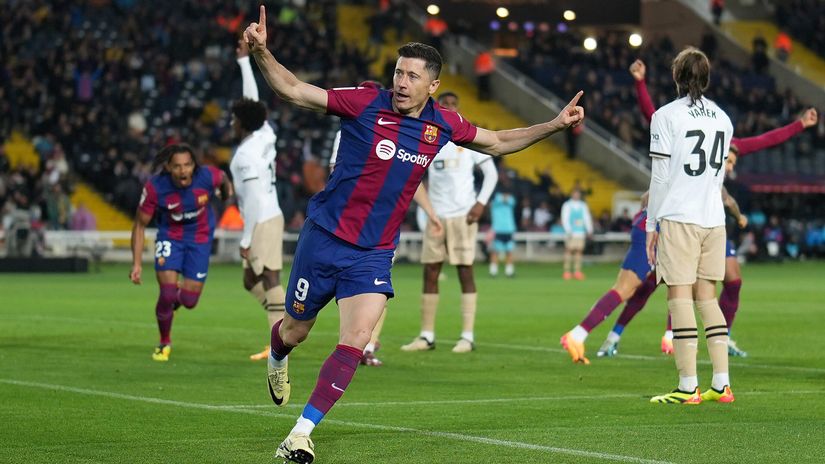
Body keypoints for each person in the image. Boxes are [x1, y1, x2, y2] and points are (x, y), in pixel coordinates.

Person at [244, 6, 584, 462]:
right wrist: (263, 52)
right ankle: (278, 355)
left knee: (356, 338)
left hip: (373, 252)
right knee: (296, 329)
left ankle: (300, 434)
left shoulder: (441, 125)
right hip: (324, 237)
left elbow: (499, 142)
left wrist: (554, 126)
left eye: (411, 76)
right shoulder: (365, 102)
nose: (401, 82)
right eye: (398, 72)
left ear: (432, 85)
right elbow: (292, 89)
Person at [628, 59, 818, 357]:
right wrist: (640, 83)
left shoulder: (722, 134)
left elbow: (768, 139)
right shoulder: (720, 124)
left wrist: (800, 125)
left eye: (731, 160)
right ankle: (685, 343)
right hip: (702, 218)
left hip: (704, 218)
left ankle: (705, 355)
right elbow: (651, 115)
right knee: (693, 288)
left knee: (717, 284)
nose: (730, 163)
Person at [329, 82, 444, 367]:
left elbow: (411, 179)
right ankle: (353, 342)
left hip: (382, 230)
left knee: (378, 287)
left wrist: (430, 212)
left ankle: (365, 345)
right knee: (341, 291)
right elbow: (338, 172)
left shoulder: (406, 133)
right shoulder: (353, 128)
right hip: (344, 226)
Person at [646, 47, 734, 404]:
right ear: (706, 78)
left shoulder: (665, 116)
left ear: (677, 77)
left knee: (678, 298)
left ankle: (687, 386)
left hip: (680, 216)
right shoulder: (724, 119)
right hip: (714, 218)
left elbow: (661, 177)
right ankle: (722, 384)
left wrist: (652, 223)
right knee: (707, 298)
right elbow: (716, 179)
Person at [401, 91, 498, 354]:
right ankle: (426, 335)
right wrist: (427, 212)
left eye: (454, 104)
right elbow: (416, 176)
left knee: (465, 271)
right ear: (438, 107)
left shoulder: (468, 138)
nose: (450, 108)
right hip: (436, 216)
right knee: (430, 272)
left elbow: (490, 173)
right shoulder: (429, 138)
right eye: (446, 105)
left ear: (459, 107)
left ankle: (467, 336)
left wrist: (480, 203)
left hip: (463, 215)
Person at [129, 144, 232, 362]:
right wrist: (136, 263)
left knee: (189, 300)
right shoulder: (156, 187)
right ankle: (164, 341)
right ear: (168, 167)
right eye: (177, 166)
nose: (183, 171)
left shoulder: (206, 176)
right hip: (170, 236)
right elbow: (139, 225)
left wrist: (225, 193)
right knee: (166, 294)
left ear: (194, 165)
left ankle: (173, 302)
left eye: (187, 165)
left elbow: (222, 177)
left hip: (200, 237)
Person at [231, 38, 286, 361]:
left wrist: (247, 237)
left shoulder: (245, 156)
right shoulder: (264, 134)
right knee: (250, 279)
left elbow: (250, 199)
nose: (230, 122)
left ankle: (278, 341)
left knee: (268, 277)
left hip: (261, 217)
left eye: (233, 119)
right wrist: (243, 63)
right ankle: (285, 323)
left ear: (241, 124)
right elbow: (252, 101)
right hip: (271, 211)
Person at [560, 193, 655, 364]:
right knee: (623, 290)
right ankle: (577, 334)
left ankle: (607, 338)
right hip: (655, 229)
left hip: (654, 228)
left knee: (641, 291)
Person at [560, 189, 593, 280]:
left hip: (580, 232)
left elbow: (587, 218)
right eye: (575, 193)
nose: (576, 195)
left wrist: (589, 229)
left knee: (579, 251)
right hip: (571, 232)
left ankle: (577, 271)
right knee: (569, 250)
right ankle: (567, 271)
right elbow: (565, 218)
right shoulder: (567, 205)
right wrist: (568, 230)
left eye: (578, 194)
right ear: (571, 194)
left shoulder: (583, 205)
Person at [489, 190, 517, 277]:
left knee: (509, 250)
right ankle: (493, 271)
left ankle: (509, 271)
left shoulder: (511, 201)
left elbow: (512, 201)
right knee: (495, 251)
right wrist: (502, 197)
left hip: (509, 229)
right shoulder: (495, 202)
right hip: (497, 229)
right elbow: (501, 200)